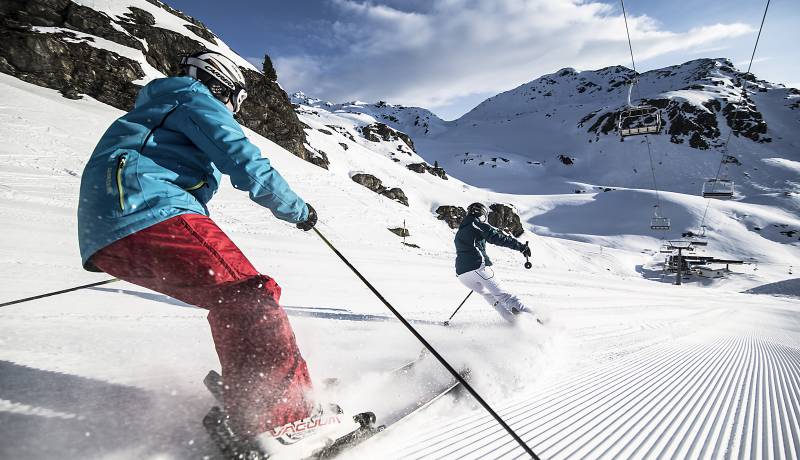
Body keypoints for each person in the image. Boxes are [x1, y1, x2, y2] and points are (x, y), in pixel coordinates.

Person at [77, 50, 355, 456]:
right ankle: (285, 416)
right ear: (222, 87)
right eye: (233, 103)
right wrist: (297, 209)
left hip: (113, 233)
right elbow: (241, 157)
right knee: (251, 297)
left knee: (233, 301)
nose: (231, 111)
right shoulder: (191, 95)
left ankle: (256, 392)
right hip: (148, 211)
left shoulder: (158, 111)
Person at [454, 203, 538, 323]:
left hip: (462, 274)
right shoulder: (476, 224)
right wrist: (521, 247)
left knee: (491, 297)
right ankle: (536, 322)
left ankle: (515, 324)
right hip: (478, 266)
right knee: (505, 297)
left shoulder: (460, 231)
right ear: (481, 214)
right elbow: (496, 237)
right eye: (484, 215)